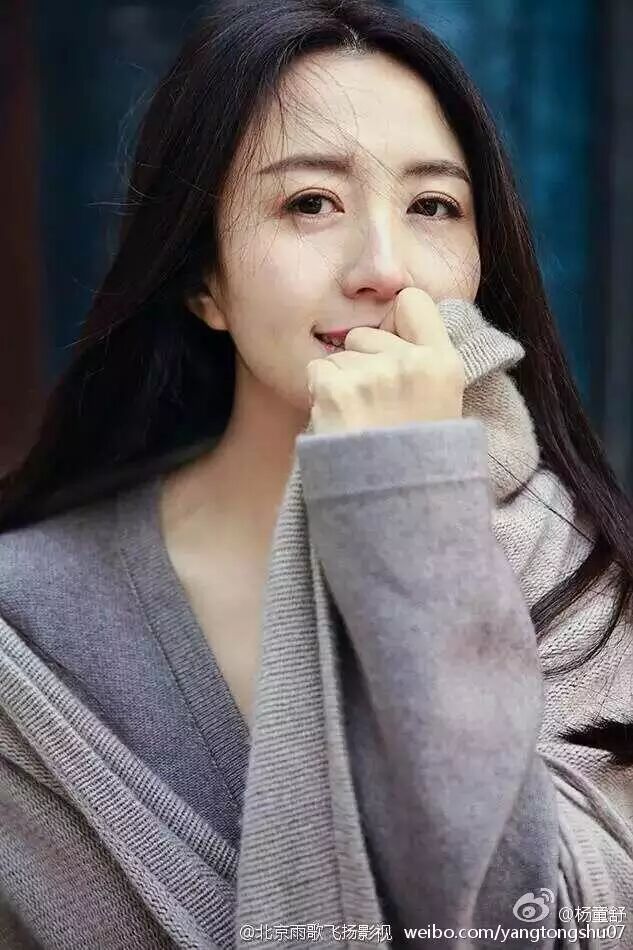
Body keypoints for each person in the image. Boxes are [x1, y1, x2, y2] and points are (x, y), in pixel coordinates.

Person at [1, 0, 632, 947]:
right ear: (203, 281)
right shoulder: (27, 625)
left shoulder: (576, 579)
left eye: (432, 206)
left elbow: (519, 924)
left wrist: (404, 500)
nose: (384, 267)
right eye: (309, 203)